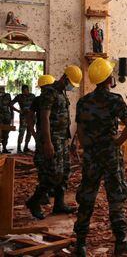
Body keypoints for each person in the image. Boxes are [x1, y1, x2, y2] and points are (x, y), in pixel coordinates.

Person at [74, 58, 127, 256]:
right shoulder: (115, 100)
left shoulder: (83, 102)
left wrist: (87, 148)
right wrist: (117, 142)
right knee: (115, 196)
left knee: (87, 197)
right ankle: (121, 241)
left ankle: (81, 244)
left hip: (91, 156)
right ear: (109, 79)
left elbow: (80, 131)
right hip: (110, 155)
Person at [26, 66, 82, 220]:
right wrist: (47, 142)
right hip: (52, 140)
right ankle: (34, 201)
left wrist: (68, 140)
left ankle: (59, 204)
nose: (71, 86)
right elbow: (44, 117)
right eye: (71, 83)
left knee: (64, 172)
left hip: (62, 140)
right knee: (52, 174)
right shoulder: (49, 92)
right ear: (64, 78)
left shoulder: (61, 93)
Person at [26, 75, 55, 206]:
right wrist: (33, 133)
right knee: (43, 166)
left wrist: (33, 133)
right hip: (45, 138)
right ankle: (43, 195)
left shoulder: (54, 98)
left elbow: (30, 119)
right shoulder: (38, 100)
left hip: (50, 138)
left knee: (50, 167)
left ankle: (49, 191)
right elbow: (30, 118)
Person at [11, 84, 35, 153]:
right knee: (21, 132)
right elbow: (10, 104)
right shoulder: (19, 97)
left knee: (29, 132)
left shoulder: (32, 96)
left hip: (31, 118)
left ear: (28, 90)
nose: (24, 92)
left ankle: (26, 147)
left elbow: (37, 105)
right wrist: (18, 111)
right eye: (23, 91)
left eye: (25, 91)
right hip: (23, 118)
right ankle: (19, 148)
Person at [0, 85, 12, 153]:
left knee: (6, 134)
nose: (2, 91)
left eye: (3, 89)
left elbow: (10, 105)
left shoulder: (8, 95)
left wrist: (12, 115)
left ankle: (4, 148)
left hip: (7, 117)